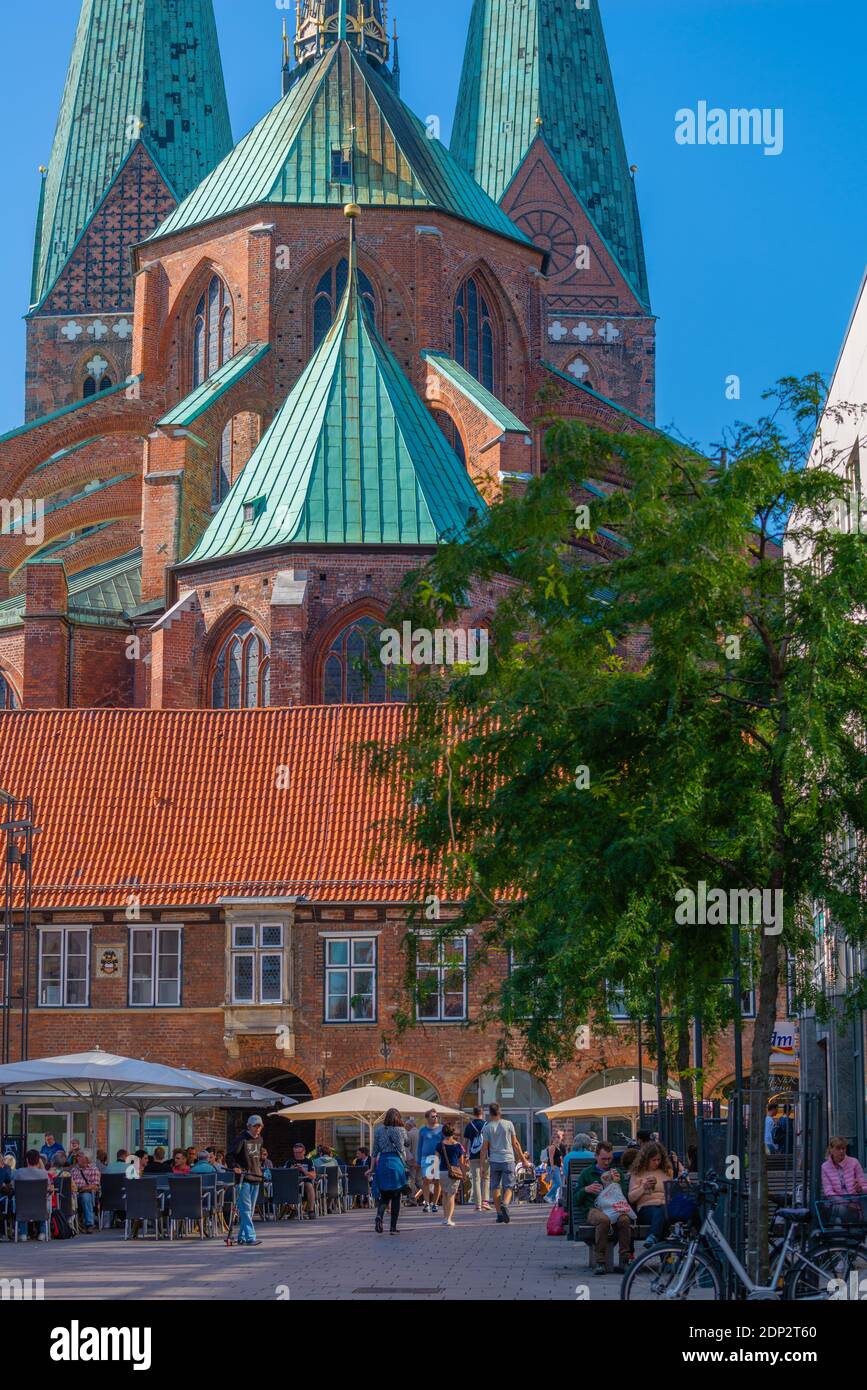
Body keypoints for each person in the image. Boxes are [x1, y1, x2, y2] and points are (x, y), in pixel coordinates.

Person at [572, 1140, 633, 1275]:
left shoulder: (616, 1173)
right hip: (593, 1209)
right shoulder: (587, 1173)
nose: (607, 1162)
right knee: (604, 1220)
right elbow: (575, 1199)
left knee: (624, 1220)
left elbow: (626, 1197)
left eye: (609, 1159)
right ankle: (600, 1261)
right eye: (603, 1159)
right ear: (596, 1157)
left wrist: (617, 1183)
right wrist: (586, 1190)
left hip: (614, 1208)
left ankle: (625, 1260)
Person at [480, 1102, 528, 1225]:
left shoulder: (487, 1128)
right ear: (499, 1111)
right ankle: (505, 1204)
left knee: (495, 1187)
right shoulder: (508, 1124)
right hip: (508, 1159)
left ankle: (499, 1214)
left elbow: (484, 1148)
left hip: (494, 1160)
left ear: (490, 1113)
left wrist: (481, 1166)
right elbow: (515, 1143)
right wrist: (523, 1159)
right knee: (509, 1186)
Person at [228, 1115, 265, 1247]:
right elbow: (230, 1156)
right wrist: (235, 1167)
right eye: (255, 1126)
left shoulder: (260, 1139)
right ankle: (250, 1237)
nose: (257, 1128)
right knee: (245, 1209)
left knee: (250, 1209)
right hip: (243, 1178)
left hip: (256, 1176)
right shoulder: (241, 1139)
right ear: (249, 1126)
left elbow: (258, 1157)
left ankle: (241, 1237)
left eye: (259, 1126)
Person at [627, 1141, 673, 1246]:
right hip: (646, 1209)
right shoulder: (637, 1173)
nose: (657, 1163)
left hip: (665, 1207)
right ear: (646, 1159)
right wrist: (643, 1187)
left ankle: (654, 1237)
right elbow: (631, 1198)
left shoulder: (666, 1172)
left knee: (663, 1211)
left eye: (659, 1160)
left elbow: (671, 1194)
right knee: (661, 1213)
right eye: (653, 1160)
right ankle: (666, 1257)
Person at [371, 1108, 407, 1235]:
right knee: (396, 1196)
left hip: (383, 1163)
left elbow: (374, 1152)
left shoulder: (379, 1130)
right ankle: (393, 1227)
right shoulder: (401, 1130)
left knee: (385, 1196)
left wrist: (371, 1169)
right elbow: (404, 1146)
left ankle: (379, 1216)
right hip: (396, 1163)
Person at [821, 1136, 867, 1225]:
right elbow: (828, 1192)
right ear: (831, 1149)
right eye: (838, 1148)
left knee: (834, 1212)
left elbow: (864, 1185)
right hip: (838, 1203)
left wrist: (860, 1189)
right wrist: (846, 1203)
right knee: (835, 1210)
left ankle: (831, 1231)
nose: (842, 1151)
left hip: (856, 1204)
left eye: (843, 1148)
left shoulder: (854, 1162)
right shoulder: (825, 1167)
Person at [13, 1149, 53, 1241]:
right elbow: (49, 1189)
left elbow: (13, 1187)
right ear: (38, 1160)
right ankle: (43, 1233)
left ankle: (23, 1233)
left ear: (27, 1160)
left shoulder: (19, 1172)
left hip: (23, 1206)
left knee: (20, 1203)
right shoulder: (44, 1174)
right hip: (40, 1206)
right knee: (45, 1202)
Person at [435, 1123, 467, 1227]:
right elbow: (461, 1162)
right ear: (453, 1132)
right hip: (454, 1173)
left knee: (444, 1194)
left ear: (443, 1133)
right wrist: (464, 1174)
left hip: (442, 1172)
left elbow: (436, 1159)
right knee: (451, 1195)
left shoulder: (440, 1145)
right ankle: (449, 1219)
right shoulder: (458, 1146)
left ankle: (445, 1217)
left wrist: (435, 1174)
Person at [417, 1109, 443, 1213]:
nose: (435, 1118)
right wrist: (418, 1160)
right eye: (433, 1116)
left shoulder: (442, 1129)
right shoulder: (422, 1130)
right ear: (427, 1118)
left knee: (437, 1181)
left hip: (437, 1158)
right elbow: (419, 1146)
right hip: (425, 1158)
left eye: (436, 1116)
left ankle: (435, 1204)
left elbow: (445, 1142)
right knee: (426, 1180)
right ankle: (427, 1203)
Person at [464, 1106, 490, 1211]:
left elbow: (465, 1143)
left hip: (473, 1155)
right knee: (486, 1178)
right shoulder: (487, 1125)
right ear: (482, 1113)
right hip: (486, 1156)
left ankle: (477, 1205)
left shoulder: (469, 1126)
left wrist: (465, 1155)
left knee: (476, 1180)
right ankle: (485, 1202)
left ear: (473, 1113)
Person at [70, 1152, 101, 1232]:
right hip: (74, 1193)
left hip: (88, 1192)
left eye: (81, 1157)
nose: (79, 1159)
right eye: (78, 1157)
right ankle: (67, 1223)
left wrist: (82, 1188)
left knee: (85, 1197)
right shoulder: (74, 1170)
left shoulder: (94, 1169)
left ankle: (89, 1224)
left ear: (87, 1160)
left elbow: (95, 1186)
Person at [285, 1142, 317, 1218]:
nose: (297, 1155)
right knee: (283, 1186)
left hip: (305, 1183)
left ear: (304, 1152)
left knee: (309, 1185)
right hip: (292, 1183)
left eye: (299, 1152)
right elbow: (283, 1175)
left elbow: (313, 1176)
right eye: (295, 1153)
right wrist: (291, 1170)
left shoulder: (308, 1161)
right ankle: (294, 1209)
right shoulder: (289, 1162)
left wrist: (303, 1170)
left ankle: (311, 1210)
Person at [403, 1118, 421, 1203]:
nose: (405, 1128)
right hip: (421, 1160)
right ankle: (427, 1194)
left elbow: (407, 1150)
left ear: (410, 1126)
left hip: (412, 1162)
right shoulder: (421, 1133)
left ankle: (412, 1199)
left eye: (406, 1126)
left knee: (412, 1180)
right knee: (419, 1181)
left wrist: (412, 1161)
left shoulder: (409, 1134)